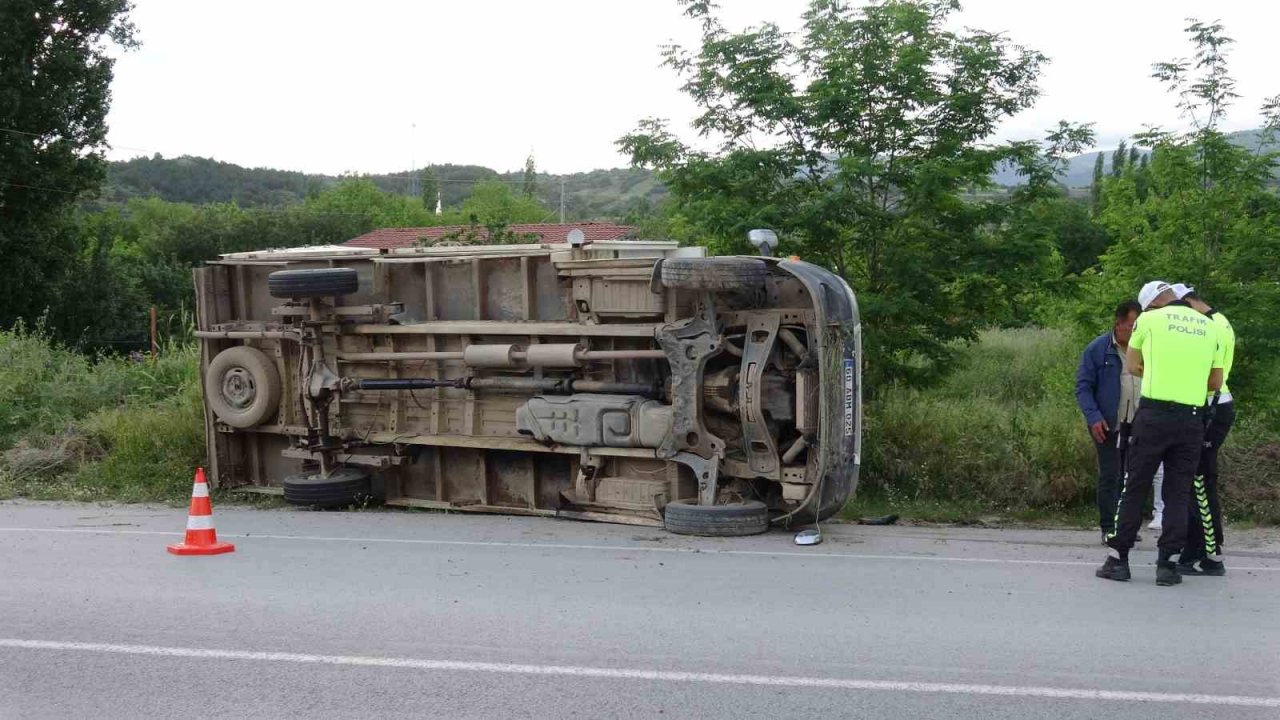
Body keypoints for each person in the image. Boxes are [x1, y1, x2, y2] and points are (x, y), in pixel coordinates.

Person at [1096, 280, 1224, 586]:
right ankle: (1167, 565)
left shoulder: (1149, 320)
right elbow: (1215, 382)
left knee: (1134, 485)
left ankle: (1118, 560)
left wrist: (1158, 372)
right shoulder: (1210, 326)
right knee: (1178, 492)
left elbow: (1132, 365)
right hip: (1191, 419)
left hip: (1153, 416)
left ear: (1151, 304)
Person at [1169, 283, 1235, 576]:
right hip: (1214, 405)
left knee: (1199, 481)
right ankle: (1202, 548)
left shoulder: (1210, 326)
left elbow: (1210, 376)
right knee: (1200, 479)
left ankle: (1206, 552)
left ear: (1186, 302)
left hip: (1210, 407)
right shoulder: (1219, 320)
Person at [1076, 300, 1141, 542]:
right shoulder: (1098, 349)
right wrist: (1093, 417)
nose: (1135, 331)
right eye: (1131, 326)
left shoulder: (1143, 348)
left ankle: (1127, 526)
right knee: (1110, 475)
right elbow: (1083, 387)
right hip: (1107, 424)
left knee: (1134, 477)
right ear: (1118, 323)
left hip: (1138, 423)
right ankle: (1108, 528)